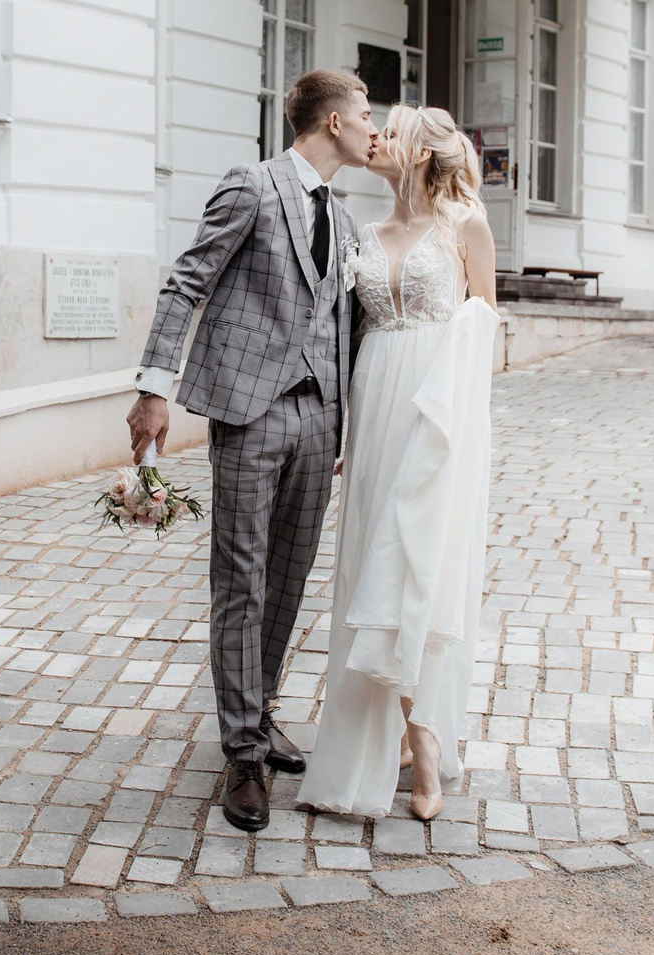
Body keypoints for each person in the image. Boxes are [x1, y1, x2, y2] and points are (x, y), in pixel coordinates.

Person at [127, 70, 377, 833]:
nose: (374, 129)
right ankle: (241, 751)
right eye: (366, 115)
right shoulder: (253, 186)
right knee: (241, 578)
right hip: (250, 410)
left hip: (319, 419)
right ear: (332, 121)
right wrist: (153, 387)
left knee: (289, 576)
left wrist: (348, 423)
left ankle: (258, 709)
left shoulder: (345, 217)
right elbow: (186, 283)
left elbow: (345, 324)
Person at [295, 103, 498, 822]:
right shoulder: (365, 233)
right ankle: (383, 739)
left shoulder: (466, 224)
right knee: (371, 566)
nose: (375, 136)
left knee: (417, 565)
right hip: (375, 405)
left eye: (390, 130)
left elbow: (485, 328)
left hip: (437, 414)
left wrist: (458, 430)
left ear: (418, 152)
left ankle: (426, 740)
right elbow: (344, 335)